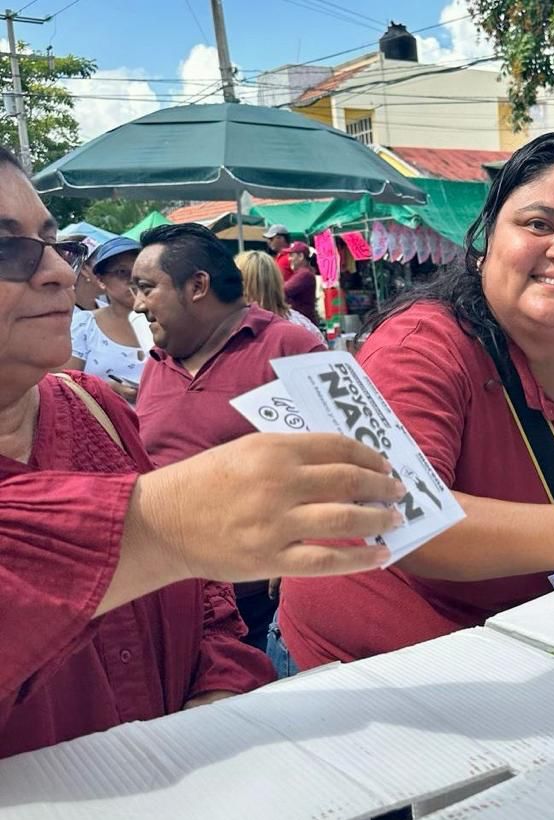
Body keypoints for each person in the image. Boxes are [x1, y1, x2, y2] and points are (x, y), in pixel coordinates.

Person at [274, 133, 554, 672]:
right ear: (489, 238)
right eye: (538, 224)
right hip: (370, 670)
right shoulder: (418, 347)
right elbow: (402, 518)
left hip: (538, 650)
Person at [0, 147, 399, 758]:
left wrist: (220, 685)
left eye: (54, 243)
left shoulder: (92, 405)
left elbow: (199, 593)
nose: (57, 271)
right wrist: (171, 522)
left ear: (198, 287)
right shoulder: (153, 367)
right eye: (7, 247)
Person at [132, 223, 326, 649]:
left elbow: (358, 463)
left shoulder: (291, 348)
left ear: (197, 285)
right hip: (171, 604)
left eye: (146, 288)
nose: (139, 305)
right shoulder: (157, 362)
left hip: (262, 612)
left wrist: (304, 536)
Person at [65, 236, 146, 404]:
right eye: (122, 272)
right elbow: (64, 385)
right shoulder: (84, 325)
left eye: (140, 270)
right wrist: (108, 389)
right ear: (101, 280)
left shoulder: (166, 320)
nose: (133, 279)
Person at [235, 249, 326, 344]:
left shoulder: (241, 332)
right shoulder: (301, 323)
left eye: (292, 255)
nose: (289, 259)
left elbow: (287, 289)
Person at [282, 241, 320, 326]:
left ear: (301, 256)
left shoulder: (304, 274)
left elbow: (284, 290)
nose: (289, 259)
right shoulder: (301, 273)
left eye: (291, 255)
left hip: (304, 323)